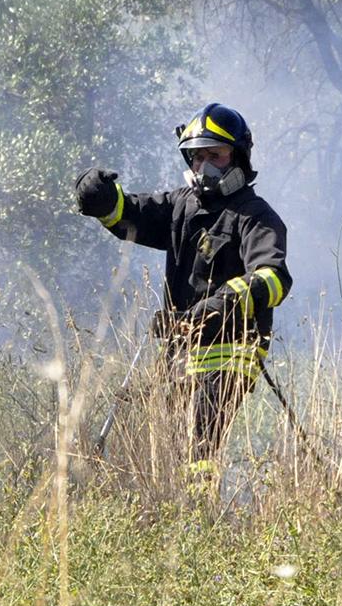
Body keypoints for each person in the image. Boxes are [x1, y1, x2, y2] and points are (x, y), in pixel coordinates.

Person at [75, 103, 292, 465]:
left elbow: (273, 277)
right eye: (197, 157)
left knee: (199, 442)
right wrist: (100, 197)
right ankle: (176, 512)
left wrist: (216, 306)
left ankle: (198, 516)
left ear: (237, 157)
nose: (203, 166)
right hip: (180, 351)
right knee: (166, 446)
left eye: (215, 156)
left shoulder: (255, 216)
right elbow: (130, 214)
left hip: (231, 349)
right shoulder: (182, 207)